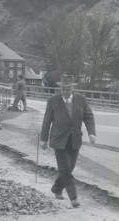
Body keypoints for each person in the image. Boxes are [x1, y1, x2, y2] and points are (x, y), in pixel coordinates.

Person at [40, 75, 96, 208]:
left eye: (68, 89)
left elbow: (88, 117)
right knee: (65, 168)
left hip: (75, 139)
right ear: (60, 88)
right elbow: (47, 121)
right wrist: (43, 139)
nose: (65, 91)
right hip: (58, 140)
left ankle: (57, 188)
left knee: (70, 167)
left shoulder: (81, 100)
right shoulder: (53, 100)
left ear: (72, 88)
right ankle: (73, 197)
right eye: (63, 89)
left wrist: (91, 133)